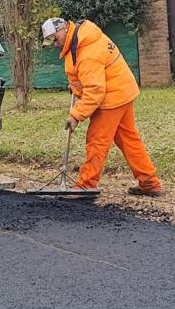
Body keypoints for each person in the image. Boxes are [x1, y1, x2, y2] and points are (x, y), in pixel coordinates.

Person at [41, 17, 163, 196]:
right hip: (122, 90)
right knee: (129, 140)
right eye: (49, 40)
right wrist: (75, 86)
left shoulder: (87, 50)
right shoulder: (80, 39)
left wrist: (76, 115)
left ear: (64, 29)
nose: (54, 44)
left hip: (111, 97)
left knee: (96, 141)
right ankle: (149, 183)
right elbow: (86, 76)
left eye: (53, 38)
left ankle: (86, 185)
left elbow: (95, 90)